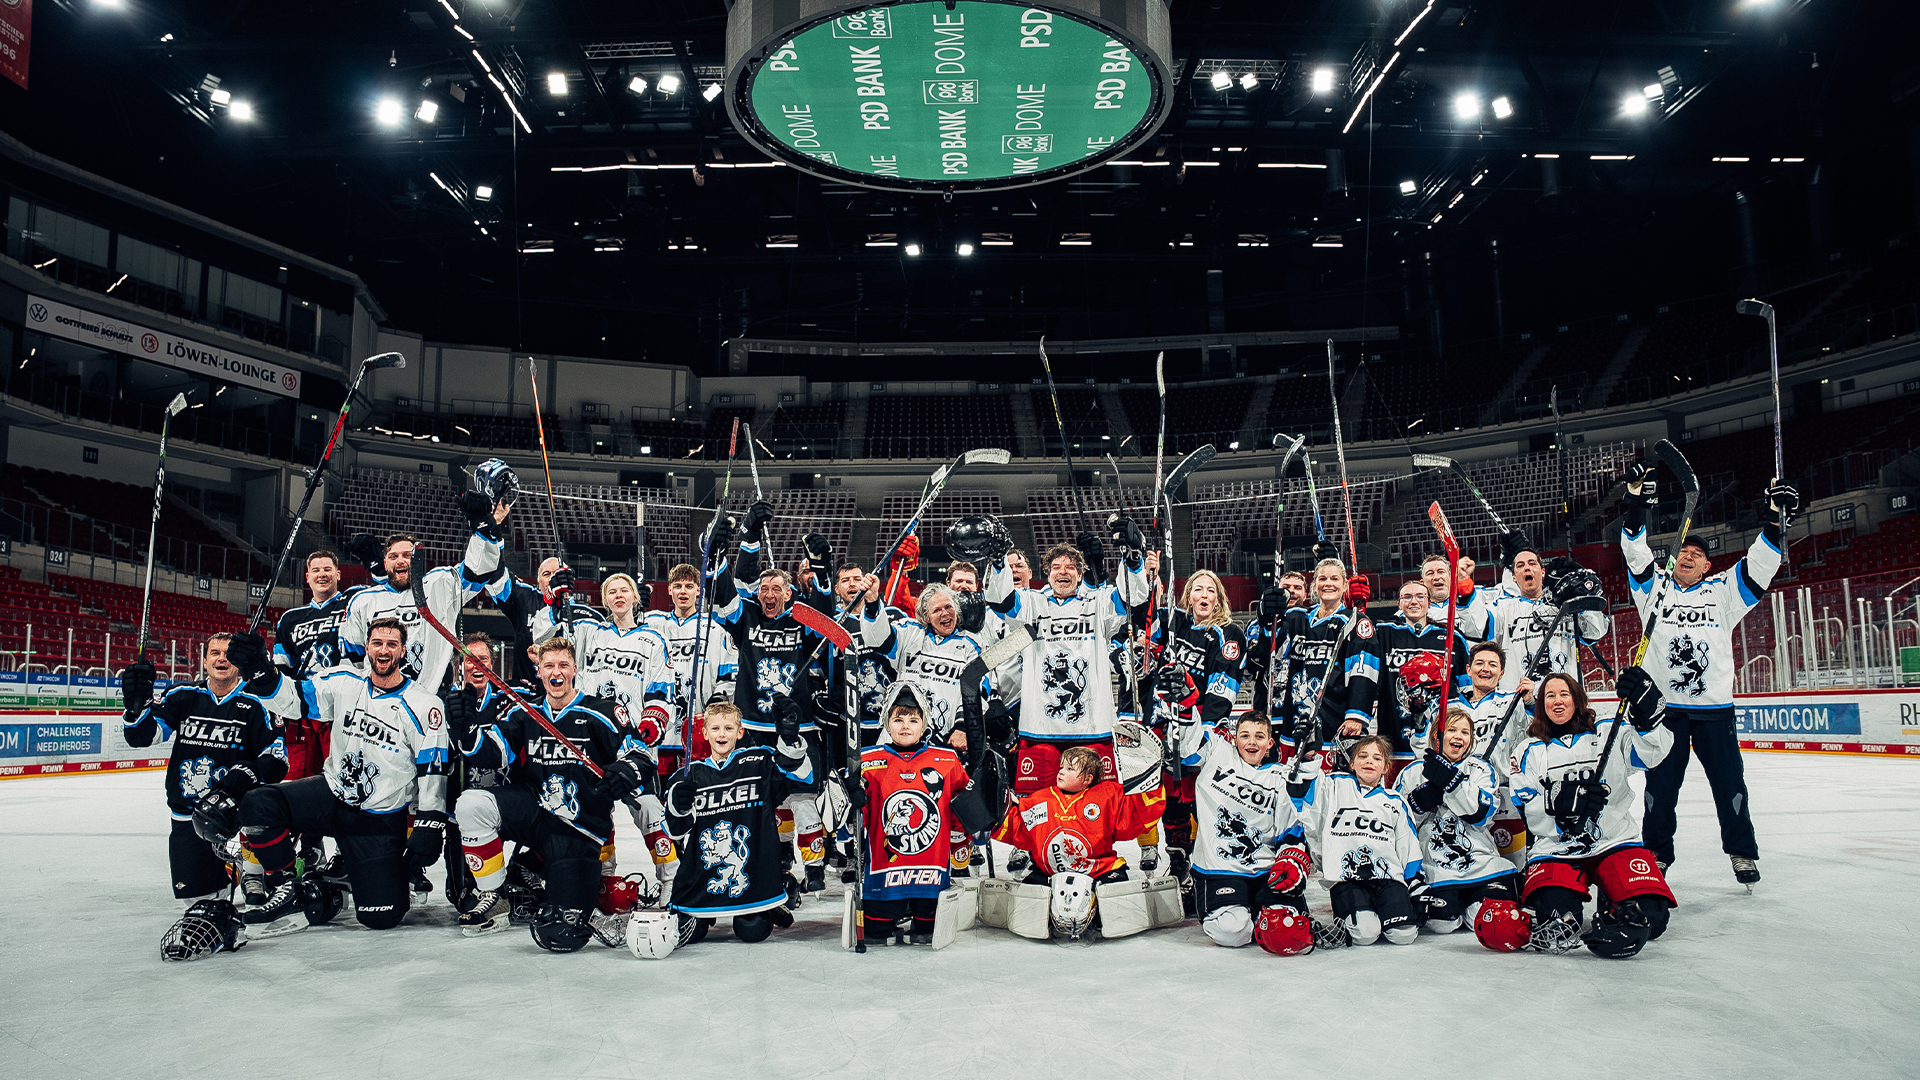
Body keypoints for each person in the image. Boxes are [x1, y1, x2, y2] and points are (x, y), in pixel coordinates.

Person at [1625, 465, 1795, 887]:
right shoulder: (1652, 590)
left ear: (1707, 565)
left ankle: (1741, 852)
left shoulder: (1722, 592)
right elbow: (1635, 551)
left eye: (1697, 554)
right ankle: (1656, 854)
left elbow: (1759, 566)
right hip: (1664, 712)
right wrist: (1634, 504)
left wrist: (1774, 521)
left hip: (1714, 711)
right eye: (1684, 551)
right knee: (1660, 789)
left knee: (1729, 785)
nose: (1688, 556)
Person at [233, 619, 451, 935]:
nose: (384, 650)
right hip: (332, 795)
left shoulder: (424, 704)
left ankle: (337, 887)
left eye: (392, 644)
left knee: (381, 917)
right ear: (367, 647)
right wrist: (260, 670)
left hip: (378, 819)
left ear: (404, 651)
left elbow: (433, 770)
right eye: (377, 643)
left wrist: (430, 823)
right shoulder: (343, 680)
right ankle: (288, 888)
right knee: (259, 804)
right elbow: (294, 700)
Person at [453, 638, 655, 951]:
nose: (556, 672)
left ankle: (537, 873)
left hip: (578, 830)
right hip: (533, 811)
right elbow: (491, 753)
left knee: (561, 932)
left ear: (574, 670)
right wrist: (465, 731)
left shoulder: (603, 712)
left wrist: (627, 771)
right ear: (539, 671)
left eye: (563, 665)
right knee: (471, 804)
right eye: (549, 665)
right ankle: (494, 896)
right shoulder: (526, 712)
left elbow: (640, 755)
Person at [122, 632, 300, 960]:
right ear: (204, 661)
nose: (221, 658)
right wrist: (136, 709)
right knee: (195, 897)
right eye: (214, 652)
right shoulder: (182, 695)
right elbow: (143, 737)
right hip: (188, 813)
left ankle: (270, 879)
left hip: (237, 812)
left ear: (238, 662)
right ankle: (223, 909)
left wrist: (243, 776)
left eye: (228, 653)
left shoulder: (260, 701)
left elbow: (277, 759)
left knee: (262, 841)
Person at [709, 505, 840, 896]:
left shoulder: (801, 617)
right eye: (764, 588)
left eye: (776, 589)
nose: (769, 594)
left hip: (799, 726)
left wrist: (823, 569)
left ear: (788, 592)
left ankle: (814, 865)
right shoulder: (746, 617)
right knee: (766, 798)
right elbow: (723, 592)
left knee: (803, 797)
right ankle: (781, 856)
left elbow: (827, 617)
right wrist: (722, 552)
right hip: (753, 727)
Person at [1509, 671, 1677, 958]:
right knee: (1558, 921)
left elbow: (1651, 755)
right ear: (1541, 704)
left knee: (1651, 918)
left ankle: (1614, 893)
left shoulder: (1608, 730)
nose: (1557, 701)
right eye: (1550, 695)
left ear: (1577, 699)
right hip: (1557, 849)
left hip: (1614, 841)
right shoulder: (1527, 750)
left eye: (1564, 694)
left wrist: (1647, 720)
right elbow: (1525, 806)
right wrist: (1562, 806)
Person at [984, 528, 1150, 801]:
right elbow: (1000, 601)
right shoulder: (1032, 602)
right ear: (1047, 574)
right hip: (1039, 730)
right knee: (1036, 804)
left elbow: (1133, 597)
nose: (1063, 571)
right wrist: (998, 561)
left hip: (1093, 729)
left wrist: (1132, 559)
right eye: (1056, 567)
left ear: (1081, 575)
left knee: (1098, 804)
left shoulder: (1099, 602)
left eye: (1071, 567)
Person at [559, 571, 679, 899]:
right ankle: (603, 878)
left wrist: (653, 723)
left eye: (624, 590)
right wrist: (558, 601)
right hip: (591, 738)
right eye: (611, 591)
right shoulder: (589, 633)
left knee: (648, 808)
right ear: (605, 600)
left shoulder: (653, 640)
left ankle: (671, 880)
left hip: (633, 739)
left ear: (635, 597)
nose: (618, 595)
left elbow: (661, 689)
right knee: (594, 810)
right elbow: (553, 639)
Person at [660, 700, 812, 946]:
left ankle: (770, 906)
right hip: (701, 877)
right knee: (690, 933)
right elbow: (674, 831)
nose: (722, 734)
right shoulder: (687, 775)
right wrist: (677, 805)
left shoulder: (760, 761)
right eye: (716, 728)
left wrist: (790, 738)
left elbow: (800, 776)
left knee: (753, 930)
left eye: (729, 728)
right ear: (705, 733)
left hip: (753, 875)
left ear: (740, 732)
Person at [991, 746, 1167, 940]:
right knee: (1031, 892)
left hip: (1098, 870)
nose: (1061, 772)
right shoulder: (1040, 799)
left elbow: (1138, 812)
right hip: (1049, 873)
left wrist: (1149, 780)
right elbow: (1016, 827)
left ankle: (1102, 912)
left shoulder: (1108, 796)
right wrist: (992, 806)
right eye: (1061, 767)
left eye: (1070, 769)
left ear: (1088, 778)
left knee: (1114, 890)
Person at [338, 497, 510, 692]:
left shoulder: (438, 584)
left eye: (407, 555)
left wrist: (482, 528)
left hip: (429, 697)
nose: (400, 561)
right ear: (385, 564)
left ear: (418, 559)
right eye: (393, 557)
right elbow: (351, 661)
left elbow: (478, 571)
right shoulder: (363, 601)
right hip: (376, 701)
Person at [1141, 568, 1245, 883]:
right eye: (1198, 589)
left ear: (1219, 598)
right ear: (1188, 596)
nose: (1204, 595)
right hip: (1162, 724)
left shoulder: (1228, 633)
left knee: (1202, 796)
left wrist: (1205, 735)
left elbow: (1222, 687)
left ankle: (1210, 859)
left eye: (1211, 590)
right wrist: (1149, 584)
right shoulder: (1175, 622)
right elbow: (1146, 630)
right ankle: (1178, 858)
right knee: (1170, 798)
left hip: (1197, 727)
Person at [849, 684, 971, 945]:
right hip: (883, 879)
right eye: (898, 719)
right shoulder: (867, 761)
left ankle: (920, 916)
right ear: (886, 722)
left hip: (932, 879)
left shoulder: (947, 760)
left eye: (913, 720)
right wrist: (852, 800)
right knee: (875, 931)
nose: (906, 726)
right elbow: (853, 821)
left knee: (929, 931)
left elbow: (965, 812)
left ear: (924, 724)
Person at [1184, 714, 1312, 955]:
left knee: (1288, 931)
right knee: (1232, 931)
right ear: (1234, 738)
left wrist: (1291, 857)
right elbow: (1189, 743)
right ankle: (1248, 912)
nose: (1252, 742)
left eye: (1259, 736)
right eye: (1245, 736)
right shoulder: (1217, 751)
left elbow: (1290, 828)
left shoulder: (1281, 776)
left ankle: (1257, 908)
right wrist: (1185, 706)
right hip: (1220, 870)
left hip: (1267, 870)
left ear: (1270, 743)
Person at [1395, 706, 1522, 947]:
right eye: (1452, 730)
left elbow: (1481, 815)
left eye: (1465, 732)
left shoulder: (1481, 769)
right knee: (1443, 923)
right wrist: (1418, 803)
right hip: (1436, 868)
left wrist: (1451, 784)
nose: (1459, 737)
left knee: (1485, 916)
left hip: (1482, 863)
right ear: (1437, 735)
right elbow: (1399, 827)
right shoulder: (1412, 773)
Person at [1293, 734, 1421, 946]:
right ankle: (1367, 914)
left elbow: (1407, 844)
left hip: (1388, 878)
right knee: (1365, 934)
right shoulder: (1335, 785)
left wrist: (1414, 883)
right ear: (1352, 763)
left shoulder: (1396, 801)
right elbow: (1306, 792)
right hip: (1347, 879)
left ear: (1385, 767)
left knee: (1403, 935)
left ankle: (1384, 911)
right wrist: (1308, 755)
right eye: (1363, 756)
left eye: (1377, 758)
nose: (1370, 761)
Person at [1256, 557, 1378, 763]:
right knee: (1293, 776)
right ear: (1314, 586)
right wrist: (1266, 615)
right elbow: (1271, 648)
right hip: (1294, 717)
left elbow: (1363, 670)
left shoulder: (1355, 621)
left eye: (1334, 579)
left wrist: (1356, 715)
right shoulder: (1297, 617)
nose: (1328, 583)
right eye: (1322, 579)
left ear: (1345, 586)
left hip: (1336, 716)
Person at [1456, 536, 1607, 693]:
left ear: (1543, 572)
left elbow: (1596, 632)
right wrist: (1463, 583)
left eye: (1532, 563)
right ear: (1513, 577)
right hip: (1520, 701)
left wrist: (1582, 599)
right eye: (1520, 565)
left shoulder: (1566, 606)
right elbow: (1476, 626)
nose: (1527, 568)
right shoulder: (1503, 608)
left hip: (1565, 699)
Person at [273, 548, 371, 782]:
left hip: (343, 706)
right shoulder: (290, 619)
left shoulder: (353, 602)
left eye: (327, 569)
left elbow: (382, 593)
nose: (322, 574)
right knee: (298, 781)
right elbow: (282, 666)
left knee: (343, 778)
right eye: (316, 570)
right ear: (307, 577)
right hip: (304, 710)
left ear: (338, 574)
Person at [638, 562, 738, 775]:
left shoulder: (714, 628)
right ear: (669, 590)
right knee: (662, 785)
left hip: (700, 727)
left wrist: (720, 699)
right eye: (678, 586)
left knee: (697, 785)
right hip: (661, 727)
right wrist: (635, 608)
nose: (683, 591)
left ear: (698, 590)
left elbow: (729, 673)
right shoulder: (651, 622)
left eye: (689, 586)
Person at [1373, 578, 1471, 771]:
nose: (1413, 601)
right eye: (1407, 597)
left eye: (1420, 596)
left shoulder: (1452, 637)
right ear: (1399, 604)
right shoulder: (1384, 632)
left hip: (1440, 736)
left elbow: (1465, 691)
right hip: (1392, 733)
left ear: (1429, 602)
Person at [1455, 641, 1532, 868]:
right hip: (1463, 796)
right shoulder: (1451, 707)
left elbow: (1538, 732)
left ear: (1502, 673)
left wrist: (1531, 702)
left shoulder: (1513, 701)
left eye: (1492, 665)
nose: (1485, 669)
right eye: (1479, 663)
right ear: (1468, 669)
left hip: (1505, 799)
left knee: (1513, 866)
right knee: (1470, 864)